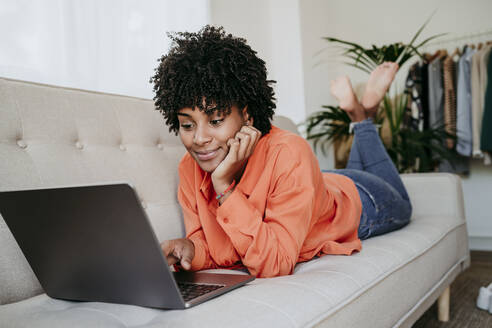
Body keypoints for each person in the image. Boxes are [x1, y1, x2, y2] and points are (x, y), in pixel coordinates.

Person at [150, 25, 412, 278]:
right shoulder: (189, 167)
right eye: (187, 124)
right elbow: (220, 247)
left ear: (247, 115)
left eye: (216, 120)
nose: (199, 139)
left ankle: (361, 116)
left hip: (360, 198)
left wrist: (224, 186)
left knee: (404, 202)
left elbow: (275, 262)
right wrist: (190, 249)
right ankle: (364, 111)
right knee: (344, 172)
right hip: (312, 186)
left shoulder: (290, 150)